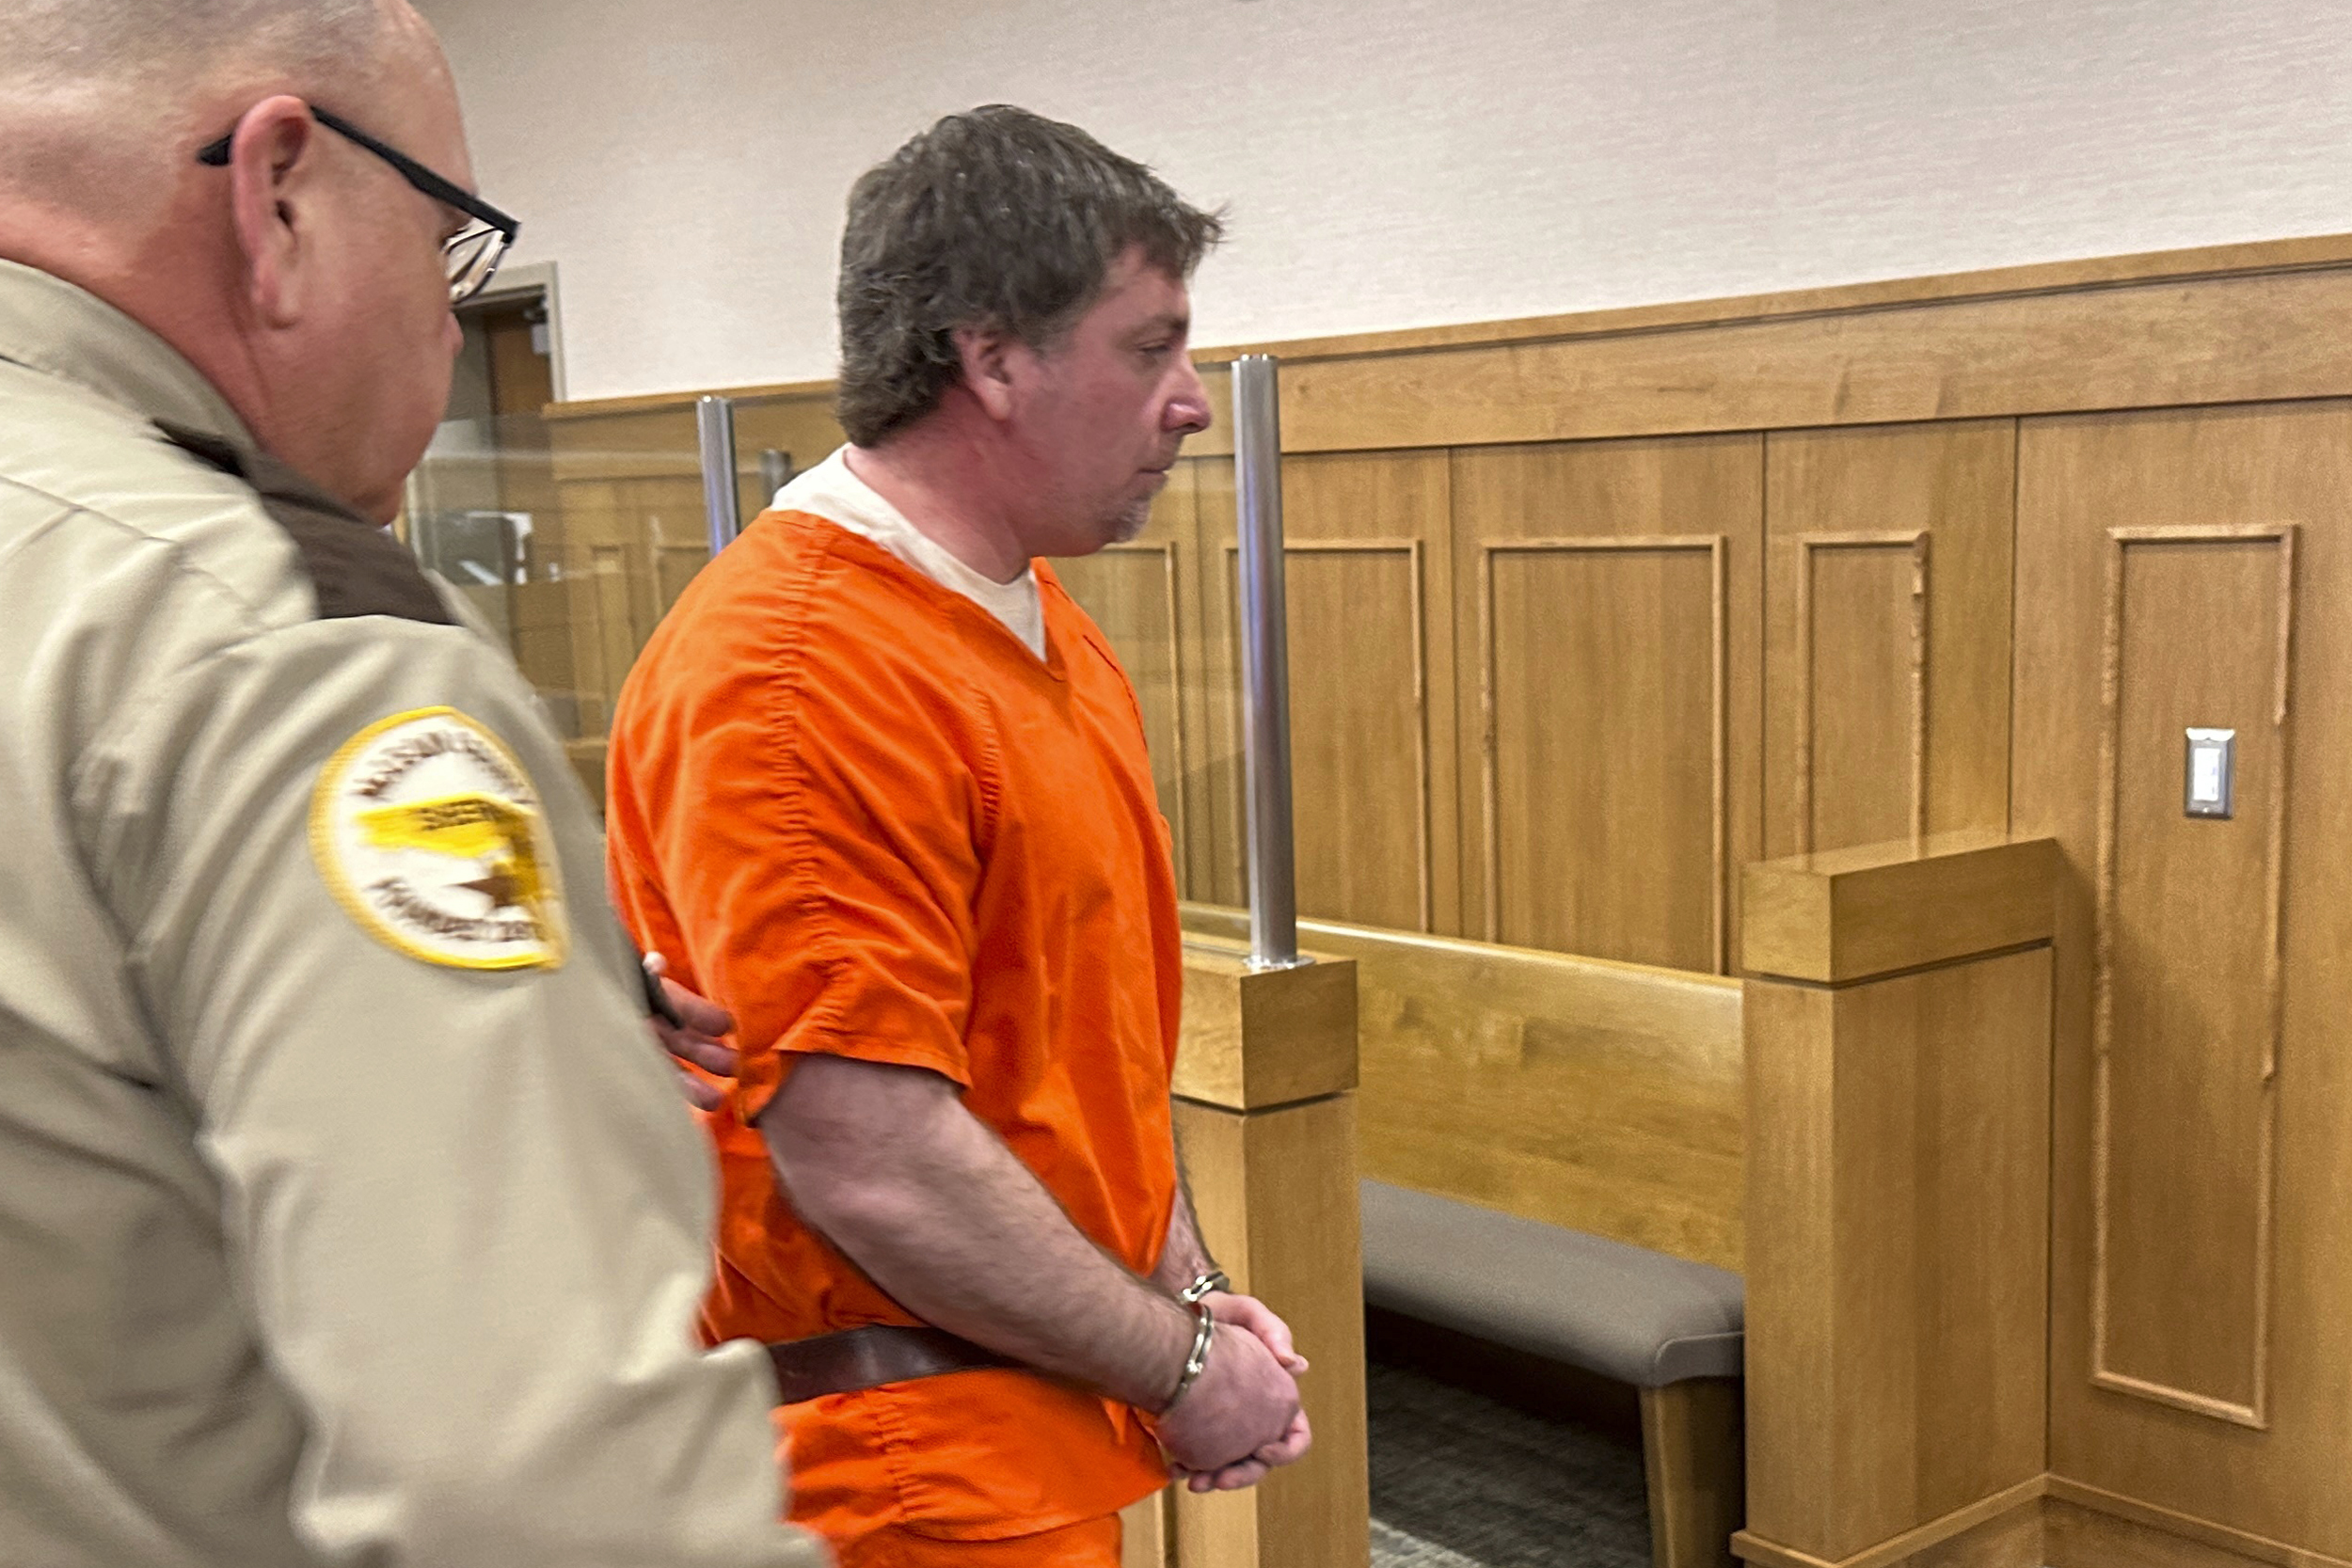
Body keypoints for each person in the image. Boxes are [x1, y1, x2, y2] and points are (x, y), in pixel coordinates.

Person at [0, 3, 823, 1563]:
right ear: (281, 193)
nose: (451, 329)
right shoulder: (278, 642)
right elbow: (546, 1498)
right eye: (445, 243)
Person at [604, 106, 1313, 1567]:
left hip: (1033, 1429)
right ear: (993, 356)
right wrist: (1181, 1367)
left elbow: (1079, 1046)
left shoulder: (1037, 620)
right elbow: (873, 1160)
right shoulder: (802, 670)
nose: (1189, 400)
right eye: (1150, 346)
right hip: (899, 1483)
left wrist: (1191, 1300)